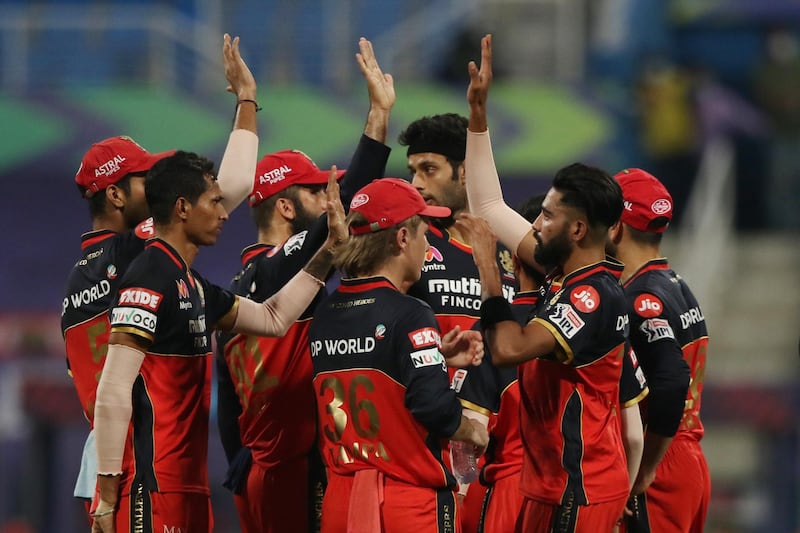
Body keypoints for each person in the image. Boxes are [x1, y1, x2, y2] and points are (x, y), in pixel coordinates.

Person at [90, 153, 346, 533]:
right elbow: (112, 390)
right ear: (182, 208)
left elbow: (272, 318)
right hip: (151, 485)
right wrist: (108, 497)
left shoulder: (194, 286)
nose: (225, 214)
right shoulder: (147, 276)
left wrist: (326, 255)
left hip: (189, 487)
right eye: (214, 202)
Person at [60, 33, 258, 520]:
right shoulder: (142, 253)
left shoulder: (73, 285)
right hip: (144, 472)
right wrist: (248, 101)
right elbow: (231, 188)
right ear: (116, 196)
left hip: (108, 466)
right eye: (143, 178)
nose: (158, 186)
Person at [214, 37, 395, 533]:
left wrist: (241, 456)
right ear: (285, 208)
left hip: (258, 470)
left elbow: (226, 399)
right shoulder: (280, 266)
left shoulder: (238, 284)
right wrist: (378, 115)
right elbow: (355, 198)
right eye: (316, 190)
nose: (327, 197)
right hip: (291, 470)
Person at [462, 34, 634, 532]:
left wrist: (489, 272)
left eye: (546, 215)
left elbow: (510, 348)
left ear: (578, 229)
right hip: (550, 482)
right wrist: (478, 114)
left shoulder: (592, 293)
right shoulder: (565, 269)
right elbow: (491, 209)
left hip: (579, 489)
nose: (535, 223)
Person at [310, 178, 489, 533]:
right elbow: (433, 407)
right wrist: (472, 431)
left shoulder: (326, 312)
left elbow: (375, 372)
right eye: (423, 233)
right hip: (406, 504)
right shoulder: (409, 312)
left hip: (341, 504)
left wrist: (437, 357)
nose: (427, 246)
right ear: (402, 238)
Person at [608, 168, 707, 533]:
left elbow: (672, 378)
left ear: (615, 226)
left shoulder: (639, 298)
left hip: (661, 459)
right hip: (688, 455)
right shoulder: (676, 285)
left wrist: (645, 469)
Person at [400, 113, 518, 338]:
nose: (415, 184)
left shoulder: (509, 249)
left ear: (464, 171)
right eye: (413, 172)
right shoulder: (410, 244)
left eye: (429, 169)